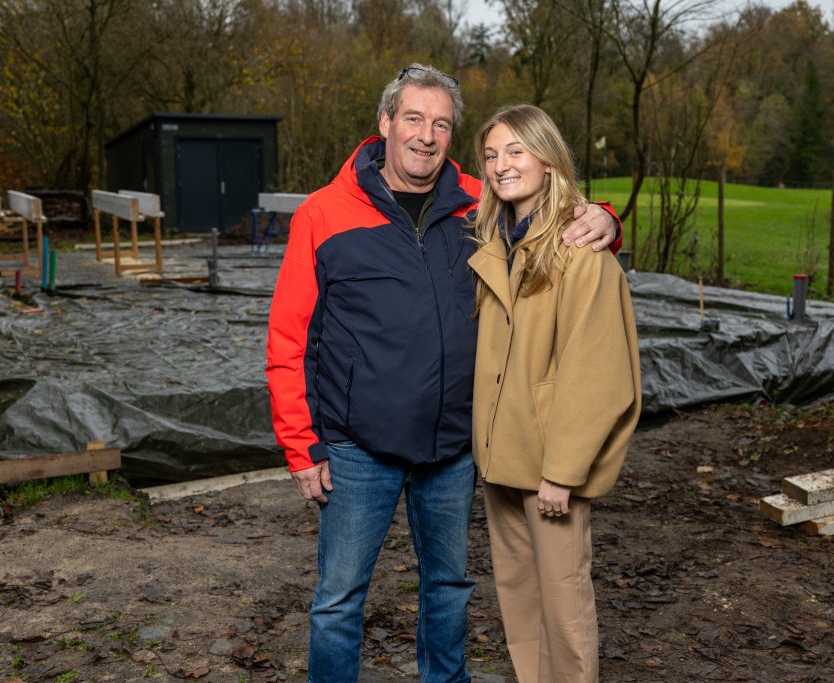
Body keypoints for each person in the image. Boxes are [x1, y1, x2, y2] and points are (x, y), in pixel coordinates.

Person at [265, 65, 621, 683]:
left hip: (454, 446)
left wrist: (608, 220)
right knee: (340, 599)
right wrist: (301, 445)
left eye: (441, 124)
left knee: (449, 589)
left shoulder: (475, 201)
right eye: (413, 118)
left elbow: (549, 208)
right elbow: (289, 337)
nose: (426, 136)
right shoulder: (324, 215)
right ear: (385, 123)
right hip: (358, 446)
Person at [468, 103, 642, 683]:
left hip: (550, 464)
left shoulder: (580, 249)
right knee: (519, 599)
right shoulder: (497, 239)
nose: (501, 165)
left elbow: (596, 374)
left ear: (548, 157)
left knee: (564, 608)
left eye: (516, 150)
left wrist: (563, 471)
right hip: (503, 455)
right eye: (491, 154)